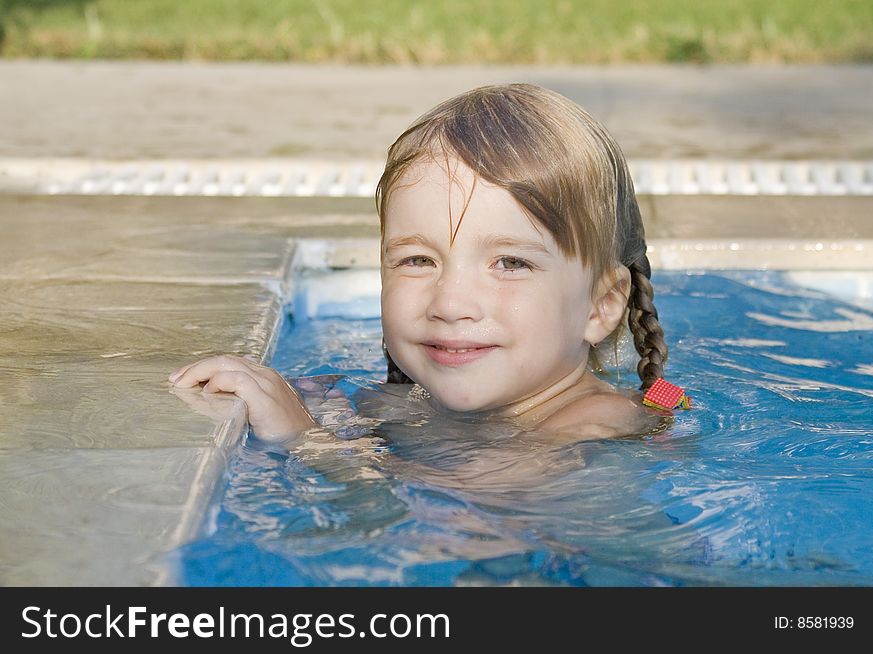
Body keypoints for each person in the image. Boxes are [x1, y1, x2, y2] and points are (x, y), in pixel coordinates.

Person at [168, 83, 670, 443]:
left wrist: (305, 440)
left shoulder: (591, 424)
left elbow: (454, 528)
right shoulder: (422, 402)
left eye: (510, 263)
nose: (450, 303)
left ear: (600, 307)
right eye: (417, 259)